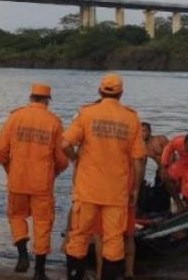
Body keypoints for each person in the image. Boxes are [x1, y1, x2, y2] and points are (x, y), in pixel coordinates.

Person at [62, 73, 146, 280]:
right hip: (116, 193)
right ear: (121, 93)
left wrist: (76, 159)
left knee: (79, 237)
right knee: (113, 241)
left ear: (100, 91)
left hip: (87, 189)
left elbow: (64, 144)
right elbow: (139, 159)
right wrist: (135, 189)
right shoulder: (131, 118)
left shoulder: (86, 113)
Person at [0, 83, 68, 280]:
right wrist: (54, 173)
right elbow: (62, 159)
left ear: (31, 97)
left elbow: (0, 151)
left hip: (17, 179)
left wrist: (11, 170)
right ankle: (39, 272)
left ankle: (22, 255)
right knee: (43, 223)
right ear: (47, 100)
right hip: (42, 182)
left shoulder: (15, 117)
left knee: (16, 216)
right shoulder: (54, 122)